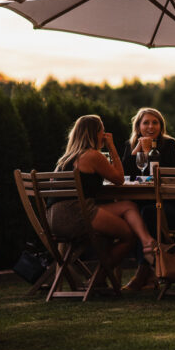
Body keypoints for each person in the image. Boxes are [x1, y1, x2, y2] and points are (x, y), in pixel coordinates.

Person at [47, 114, 157, 281]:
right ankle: (98, 278)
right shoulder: (92, 155)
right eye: (102, 131)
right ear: (95, 133)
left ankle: (147, 242)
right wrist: (111, 146)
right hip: (77, 214)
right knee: (128, 236)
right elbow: (119, 179)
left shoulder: (64, 159)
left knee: (128, 206)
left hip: (54, 218)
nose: (104, 135)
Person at [121, 107, 175, 291]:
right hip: (142, 203)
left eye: (155, 122)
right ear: (138, 126)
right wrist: (138, 149)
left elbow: (160, 175)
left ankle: (142, 272)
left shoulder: (169, 145)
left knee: (146, 213)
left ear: (161, 126)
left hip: (168, 204)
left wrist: (147, 152)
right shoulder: (129, 145)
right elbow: (124, 175)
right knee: (139, 212)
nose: (150, 126)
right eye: (146, 122)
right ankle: (151, 274)